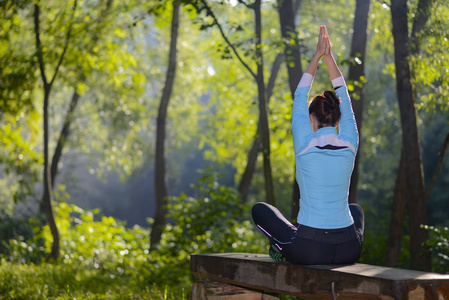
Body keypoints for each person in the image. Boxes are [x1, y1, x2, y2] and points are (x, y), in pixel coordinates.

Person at [252, 25, 364, 265]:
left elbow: (300, 95)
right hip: (348, 250)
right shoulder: (350, 142)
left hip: (309, 249)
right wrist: (329, 57)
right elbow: (343, 94)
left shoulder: (305, 144)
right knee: (355, 210)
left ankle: (281, 245)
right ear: (339, 118)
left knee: (260, 210)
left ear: (310, 118)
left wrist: (317, 56)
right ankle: (297, 236)